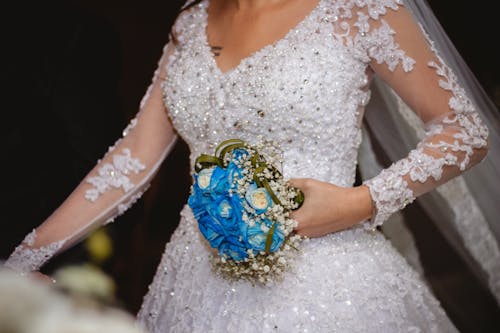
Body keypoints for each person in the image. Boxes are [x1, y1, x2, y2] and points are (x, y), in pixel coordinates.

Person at [4, 0, 500, 331]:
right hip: (193, 279)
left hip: (328, 282)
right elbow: (132, 158)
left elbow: (464, 130)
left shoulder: (359, 9)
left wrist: (361, 201)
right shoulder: (192, 22)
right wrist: (24, 258)